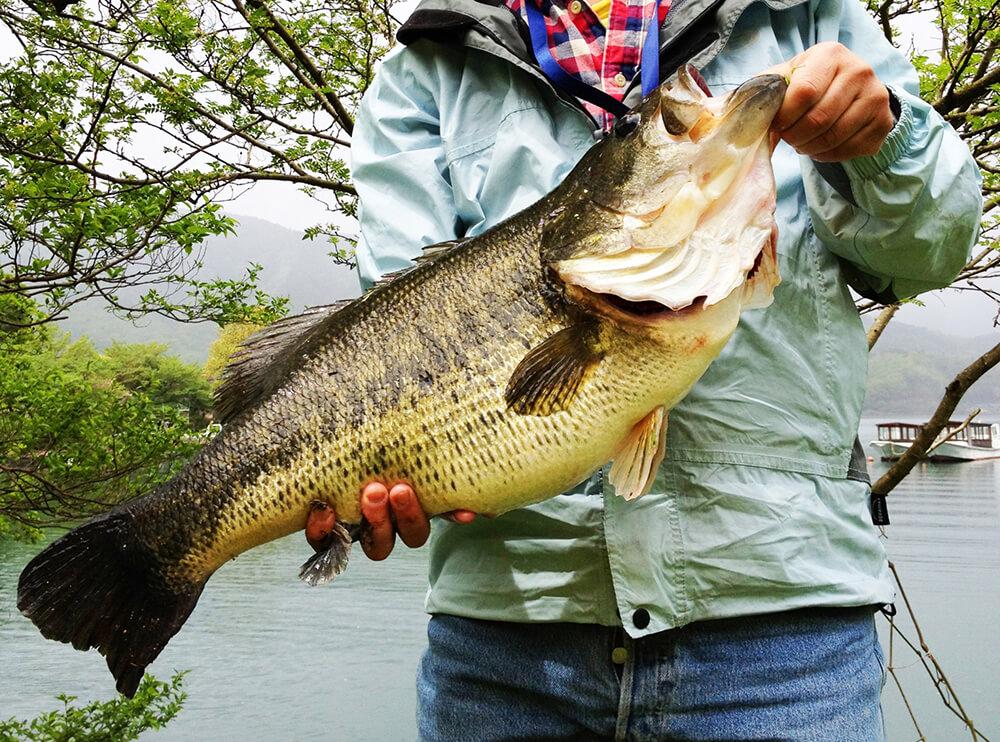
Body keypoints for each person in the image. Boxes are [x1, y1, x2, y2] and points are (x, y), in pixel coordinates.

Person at [341, 0, 982, 737]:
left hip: (783, 632)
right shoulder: (422, 71)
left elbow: (929, 254)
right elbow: (392, 334)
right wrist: (388, 479)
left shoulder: (808, 15)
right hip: (505, 648)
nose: (684, 117)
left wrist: (882, 138)